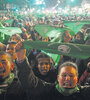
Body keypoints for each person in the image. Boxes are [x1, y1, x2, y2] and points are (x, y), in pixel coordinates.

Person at [15, 41, 90, 100]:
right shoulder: (48, 91)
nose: (67, 78)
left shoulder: (84, 93)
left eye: (71, 75)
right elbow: (31, 83)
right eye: (64, 75)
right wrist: (21, 59)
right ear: (58, 78)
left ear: (77, 79)